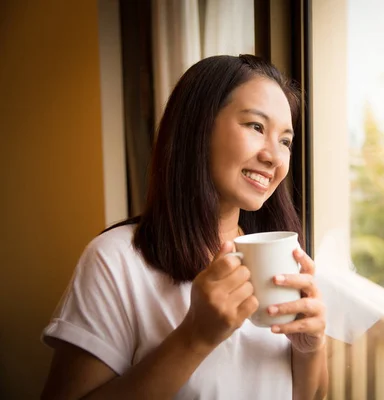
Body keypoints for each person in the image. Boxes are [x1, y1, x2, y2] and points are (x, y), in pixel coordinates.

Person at [40, 54, 328, 399]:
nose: (275, 157)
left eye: (285, 141)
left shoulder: (280, 259)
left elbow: (307, 395)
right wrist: (196, 336)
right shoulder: (114, 260)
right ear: (197, 127)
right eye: (256, 127)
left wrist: (310, 348)